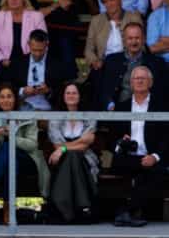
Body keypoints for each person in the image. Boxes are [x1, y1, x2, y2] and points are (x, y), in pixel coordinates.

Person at [107, 66, 167, 227]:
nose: (139, 81)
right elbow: (111, 138)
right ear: (131, 83)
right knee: (125, 168)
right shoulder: (122, 107)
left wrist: (155, 157)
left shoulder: (161, 105)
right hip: (127, 157)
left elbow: (167, 137)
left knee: (155, 171)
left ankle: (125, 212)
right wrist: (121, 142)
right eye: (136, 78)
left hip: (150, 156)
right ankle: (130, 212)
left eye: (143, 78)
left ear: (150, 82)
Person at [0, 83, 48, 226]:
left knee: (8, 146)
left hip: (27, 160)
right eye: (2, 97)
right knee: (10, 161)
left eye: (9, 96)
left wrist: (12, 137)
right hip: (0, 161)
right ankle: (8, 210)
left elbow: (32, 144)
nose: (6, 100)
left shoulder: (27, 115)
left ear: (15, 99)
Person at [46, 82, 99, 224]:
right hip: (61, 160)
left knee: (73, 156)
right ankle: (83, 206)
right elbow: (57, 144)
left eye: (74, 93)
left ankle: (63, 208)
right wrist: (80, 140)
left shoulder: (89, 116)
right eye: (68, 93)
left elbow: (85, 147)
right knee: (71, 156)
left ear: (80, 96)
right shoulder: (55, 118)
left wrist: (63, 148)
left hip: (85, 159)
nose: (71, 96)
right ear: (63, 96)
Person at [92, 21, 166, 111]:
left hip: (146, 111)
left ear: (144, 39)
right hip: (116, 111)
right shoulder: (111, 61)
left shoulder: (157, 63)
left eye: (137, 38)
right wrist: (110, 105)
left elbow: (162, 92)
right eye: (130, 38)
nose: (134, 42)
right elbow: (103, 89)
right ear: (124, 40)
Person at [0, 0, 46, 86]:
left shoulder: (37, 16)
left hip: (30, 63)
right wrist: (2, 60)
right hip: (5, 64)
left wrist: (31, 61)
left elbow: (44, 44)